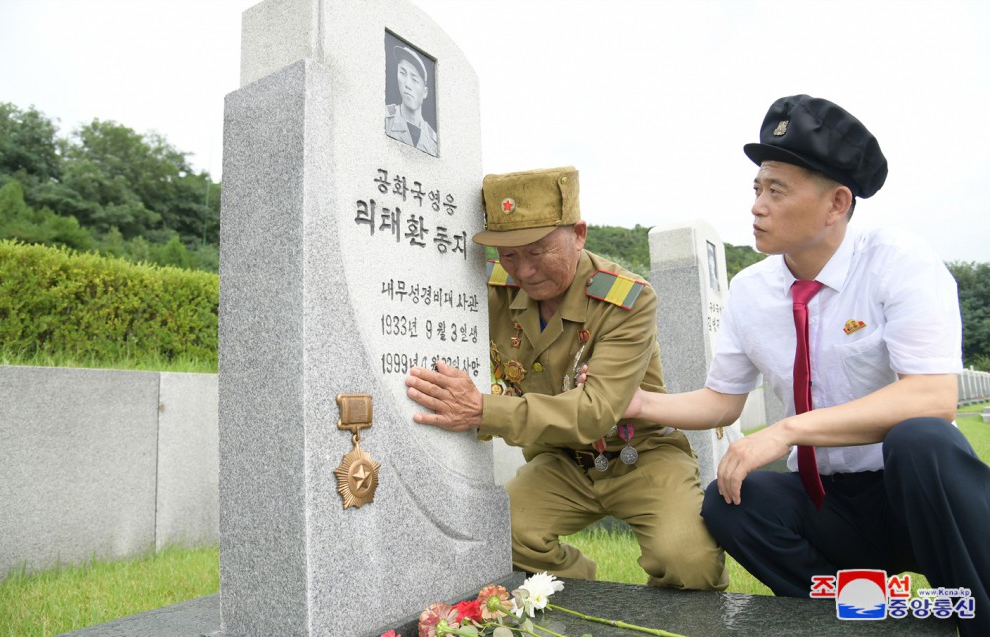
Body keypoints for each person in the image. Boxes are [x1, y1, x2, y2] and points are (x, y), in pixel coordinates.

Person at [582, 95, 988, 635]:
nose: (757, 205)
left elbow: (932, 397)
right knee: (734, 498)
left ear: (836, 203)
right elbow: (722, 400)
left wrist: (788, 430)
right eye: (756, 189)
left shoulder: (900, 263)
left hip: (911, 495)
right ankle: (859, 620)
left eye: (777, 191)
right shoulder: (753, 290)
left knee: (923, 441)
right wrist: (635, 402)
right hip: (829, 503)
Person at [404, 166, 727, 590]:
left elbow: (596, 411)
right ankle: (585, 598)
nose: (524, 270)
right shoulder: (494, 289)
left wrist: (482, 410)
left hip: (639, 451)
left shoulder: (625, 299)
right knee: (501, 537)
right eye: (509, 254)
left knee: (689, 561)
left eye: (537, 252)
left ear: (578, 233)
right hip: (560, 460)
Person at [385, 45, 438, 156]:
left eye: (414, 79)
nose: (407, 84)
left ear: (425, 92)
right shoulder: (384, 119)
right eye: (402, 73)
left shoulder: (434, 142)